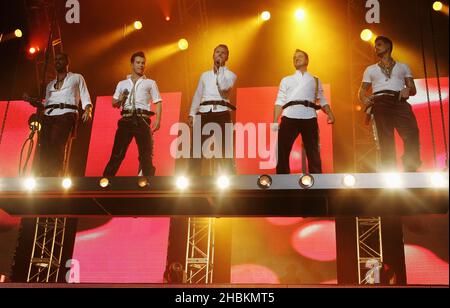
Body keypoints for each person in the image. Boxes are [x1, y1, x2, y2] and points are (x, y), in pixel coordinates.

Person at [359, 36, 421, 172]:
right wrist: (365, 100)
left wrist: (407, 90)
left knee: (412, 132)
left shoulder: (403, 66)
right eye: (375, 45)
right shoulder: (370, 69)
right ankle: (389, 170)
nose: (376, 47)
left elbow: (413, 89)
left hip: (399, 101)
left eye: (379, 45)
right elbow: (362, 91)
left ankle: (411, 166)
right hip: (380, 102)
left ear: (388, 46)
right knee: (385, 137)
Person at [273, 49, 335, 174]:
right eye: (294, 57)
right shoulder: (286, 80)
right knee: (282, 150)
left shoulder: (315, 80)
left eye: (300, 56)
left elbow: (322, 99)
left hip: (309, 117)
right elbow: (279, 101)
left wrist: (330, 113)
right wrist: (275, 121)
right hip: (289, 116)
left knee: (313, 151)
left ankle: (316, 181)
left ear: (307, 60)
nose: (296, 58)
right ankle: (282, 180)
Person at [103, 51, 162, 176]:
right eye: (138, 62)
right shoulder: (122, 83)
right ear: (132, 64)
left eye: (143, 63)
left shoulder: (150, 83)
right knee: (117, 153)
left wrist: (158, 120)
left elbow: (158, 101)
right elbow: (114, 103)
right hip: (126, 119)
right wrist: (121, 98)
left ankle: (149, 183)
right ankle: (106, 181)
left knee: (145, 154)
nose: (141, 65)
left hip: (142, 119)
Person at [37, 53, 92, 177]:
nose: (57, 61)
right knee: (44, 145)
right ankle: (44, 174)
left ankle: (55, 174)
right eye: (55, 59)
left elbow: (85, 95)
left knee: (57, 142)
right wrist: (33, 101)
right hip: (49, 116)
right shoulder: (50, 85)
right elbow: (46, 103)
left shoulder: (77, 77)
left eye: (60, 59)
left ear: (67, 62)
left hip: (67, 114)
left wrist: (88, 109)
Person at [188, 44, 237, 175]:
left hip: (222, 112)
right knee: (196, 149)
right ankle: (192, 179)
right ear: (213, 55)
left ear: (227, 57)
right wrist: (192, 113)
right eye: (217, 52)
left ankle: (231, 180)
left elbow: (224, 87)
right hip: (204, 112)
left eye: (223, 53)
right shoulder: (204, 75)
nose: (220, 54)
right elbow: (198, 94)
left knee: (225, 149)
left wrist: (220, 69)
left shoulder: (230, 75)